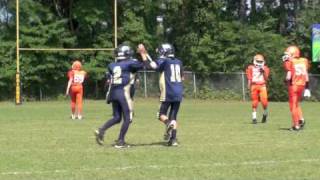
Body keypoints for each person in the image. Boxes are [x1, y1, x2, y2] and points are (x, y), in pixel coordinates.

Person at [94, 44, 147, 148]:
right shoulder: (130, 62)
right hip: (123, 93)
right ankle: (120, 141)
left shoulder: (112, 65)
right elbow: (145, 64)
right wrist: (142, 52)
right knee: (128, 118)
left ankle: (101, 130)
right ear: (127, 53)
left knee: (117, 117)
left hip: (113, 92)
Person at [138, 43, 183, 146]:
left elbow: (150, 66)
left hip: (168, 92)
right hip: (179, 92)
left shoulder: (165, 61)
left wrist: (142, 53)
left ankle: (168, 124)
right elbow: (182, 77)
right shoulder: (179, 62)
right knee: (173, 117)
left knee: (160, 115)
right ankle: (173, 140)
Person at [282, 45, 311, 131]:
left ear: (292, 53)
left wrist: (285, 81)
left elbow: (288, 76)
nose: (287, 55)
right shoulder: (304, 60)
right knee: (296, 103)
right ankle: (301, 119)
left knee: (293, 106)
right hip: (302, 85)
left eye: (288, 54)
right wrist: (307, 87)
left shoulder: (290, 62)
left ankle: (296, 125)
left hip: (293, 85)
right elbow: (305, 74)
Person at [246, 54, 270, 124]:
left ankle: (265, 114)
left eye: (260, 61)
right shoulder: (250, 68)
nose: (259, 63)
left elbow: (266, 78)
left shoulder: (265, 68)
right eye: (258, 61)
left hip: (262, 85)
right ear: (254, 61)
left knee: (264, 102)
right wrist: (248, 86)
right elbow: (249, 78)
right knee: (254, 102)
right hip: (254, 85)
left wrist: (263, 72)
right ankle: (254, 118)